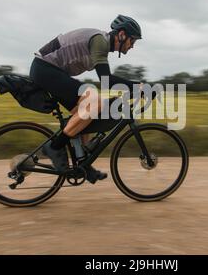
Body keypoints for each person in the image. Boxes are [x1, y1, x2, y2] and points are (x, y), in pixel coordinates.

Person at [29, 15, 143, 184]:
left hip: (50, 71)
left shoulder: (102, 45)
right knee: (93, 102)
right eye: (132, 41)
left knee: (86, 113)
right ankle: (54, 147)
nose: (132, 46)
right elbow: (107, 81)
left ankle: (83, 164)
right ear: (121, 34)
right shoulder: (100, 41)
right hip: (45, 68)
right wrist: (139, 87)